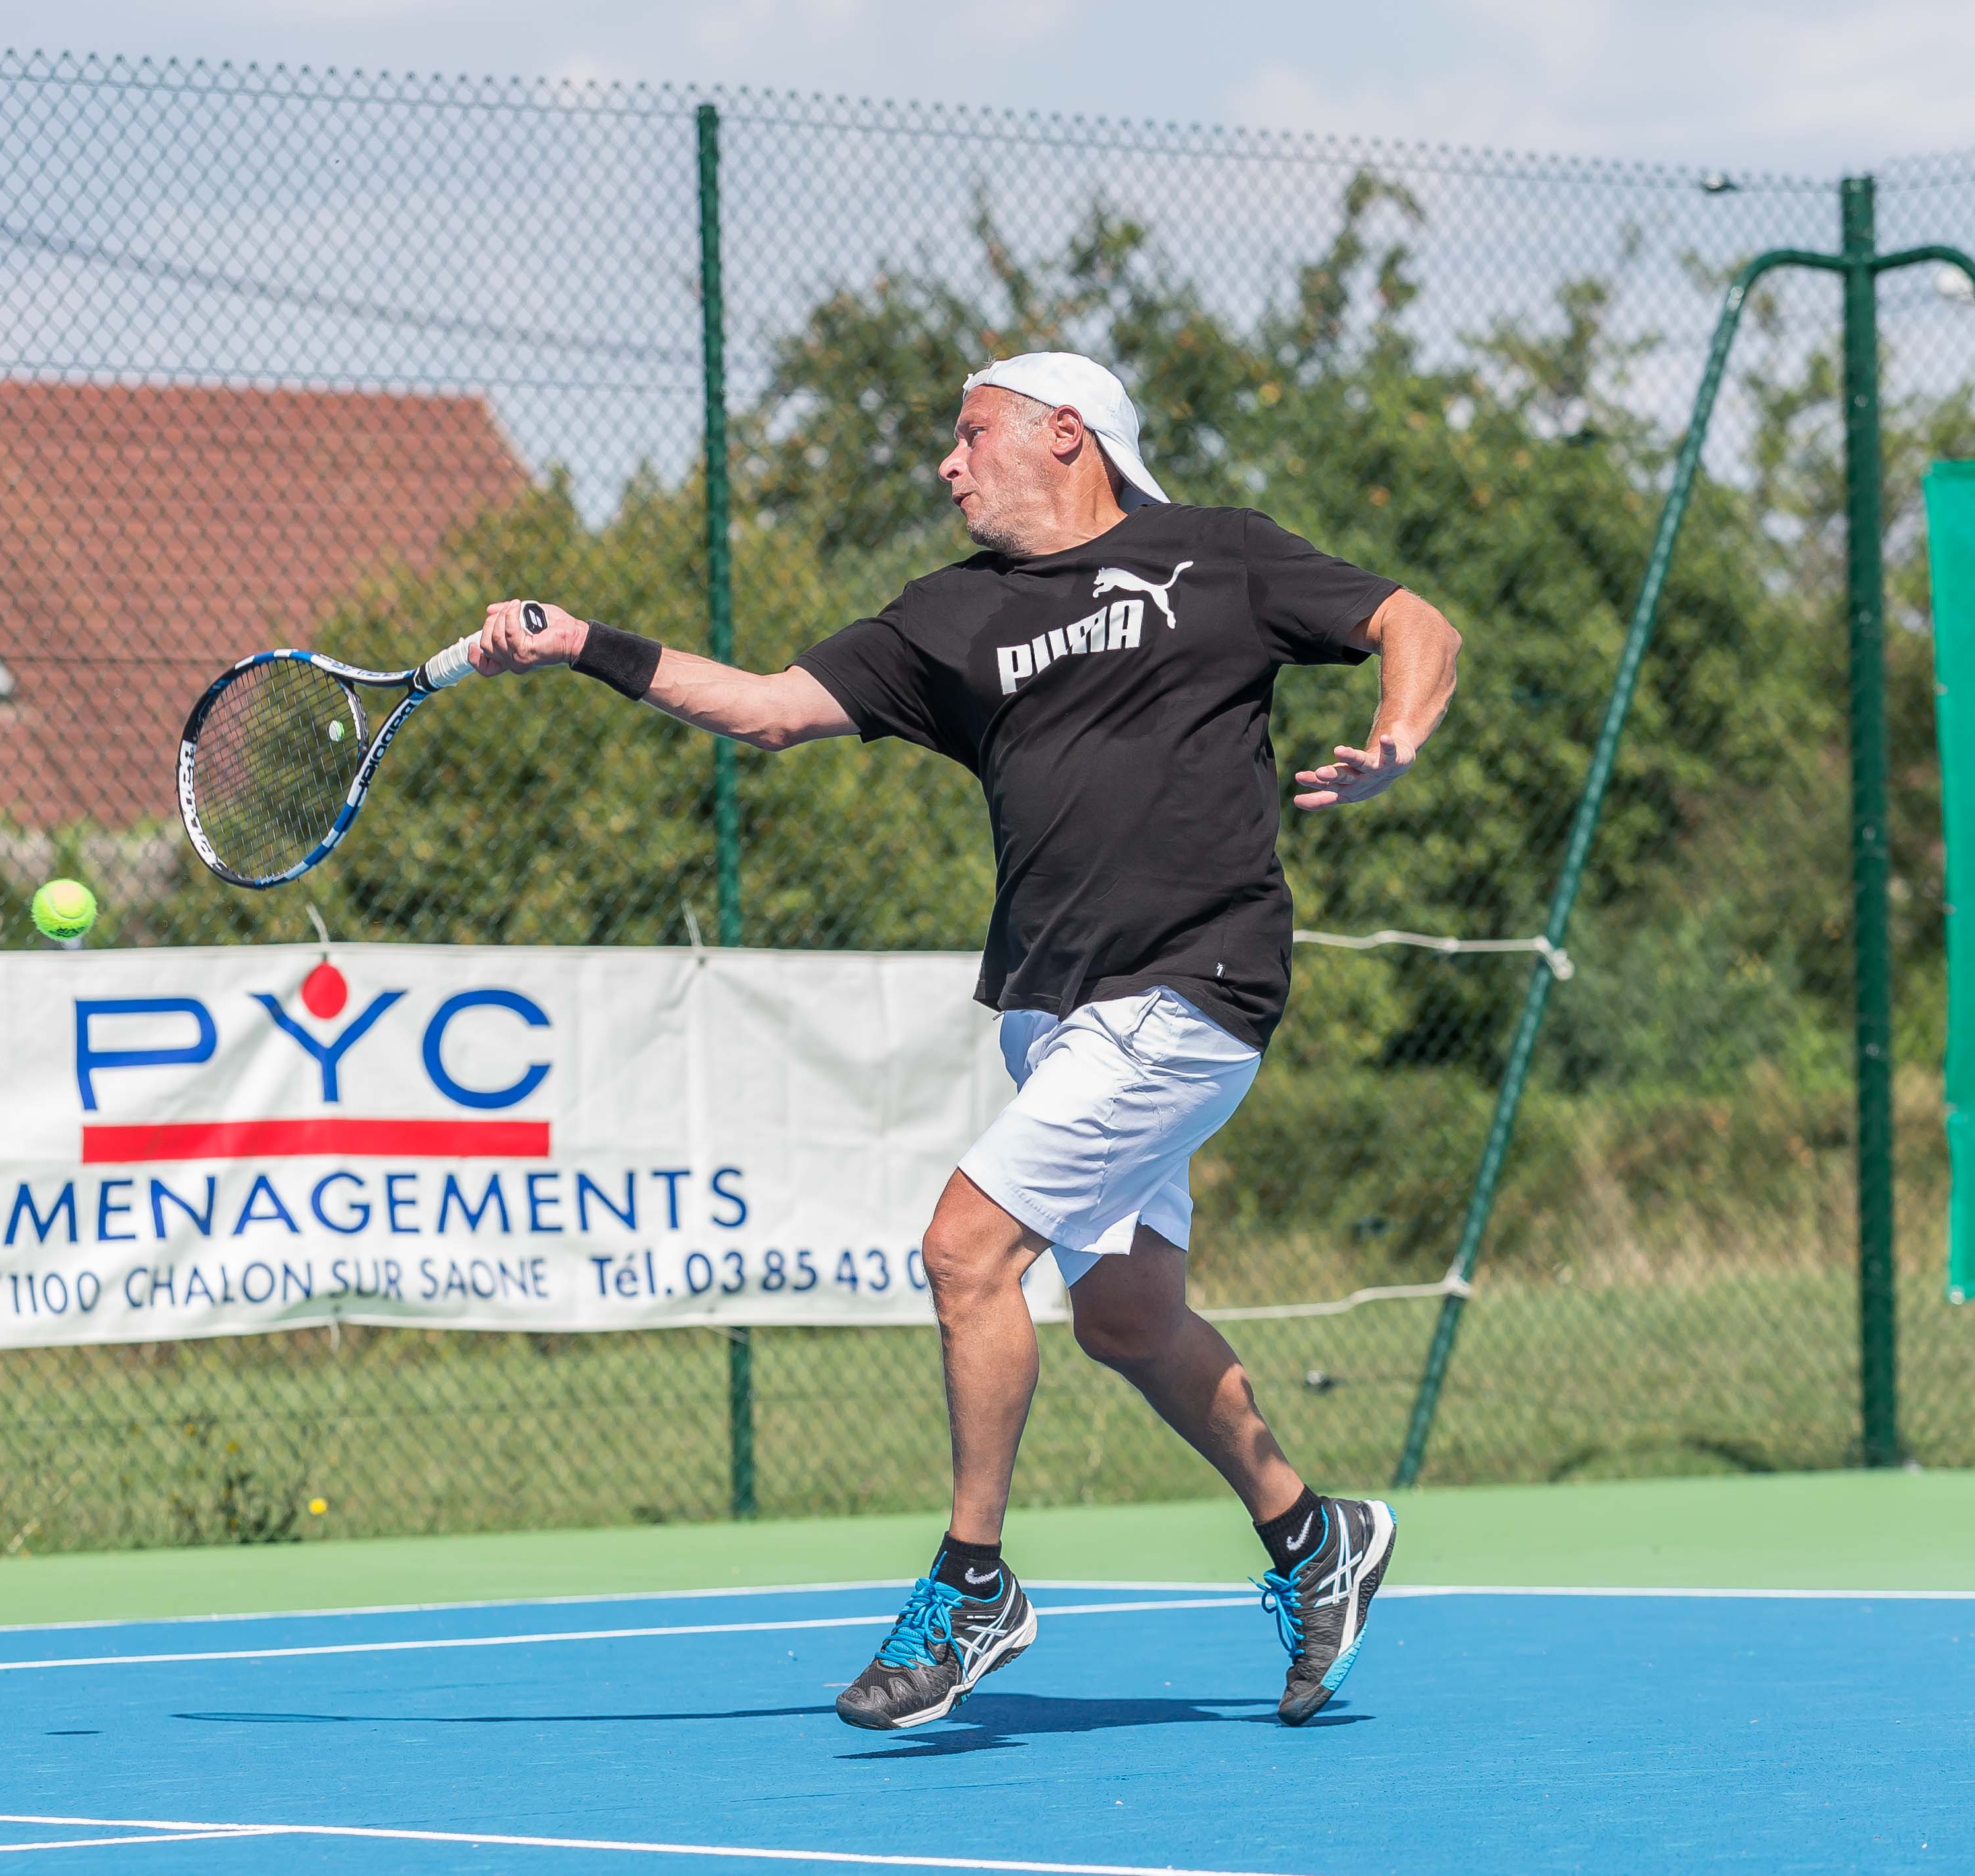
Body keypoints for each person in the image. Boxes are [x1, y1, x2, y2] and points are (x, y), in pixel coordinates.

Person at [467, 351, 1460, 1732]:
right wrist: (587, 642)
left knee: (963, 1249)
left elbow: (1414, 620)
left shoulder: (1215, 554)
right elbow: (769, 708)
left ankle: (973, 1581)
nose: (948, 462)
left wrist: (1396, 735)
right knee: (1125, 1317)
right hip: (1051, 1014)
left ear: (1067, 434)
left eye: (970, 433)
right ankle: (1313, 1535)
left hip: (1191, 984)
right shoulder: (948, 615)